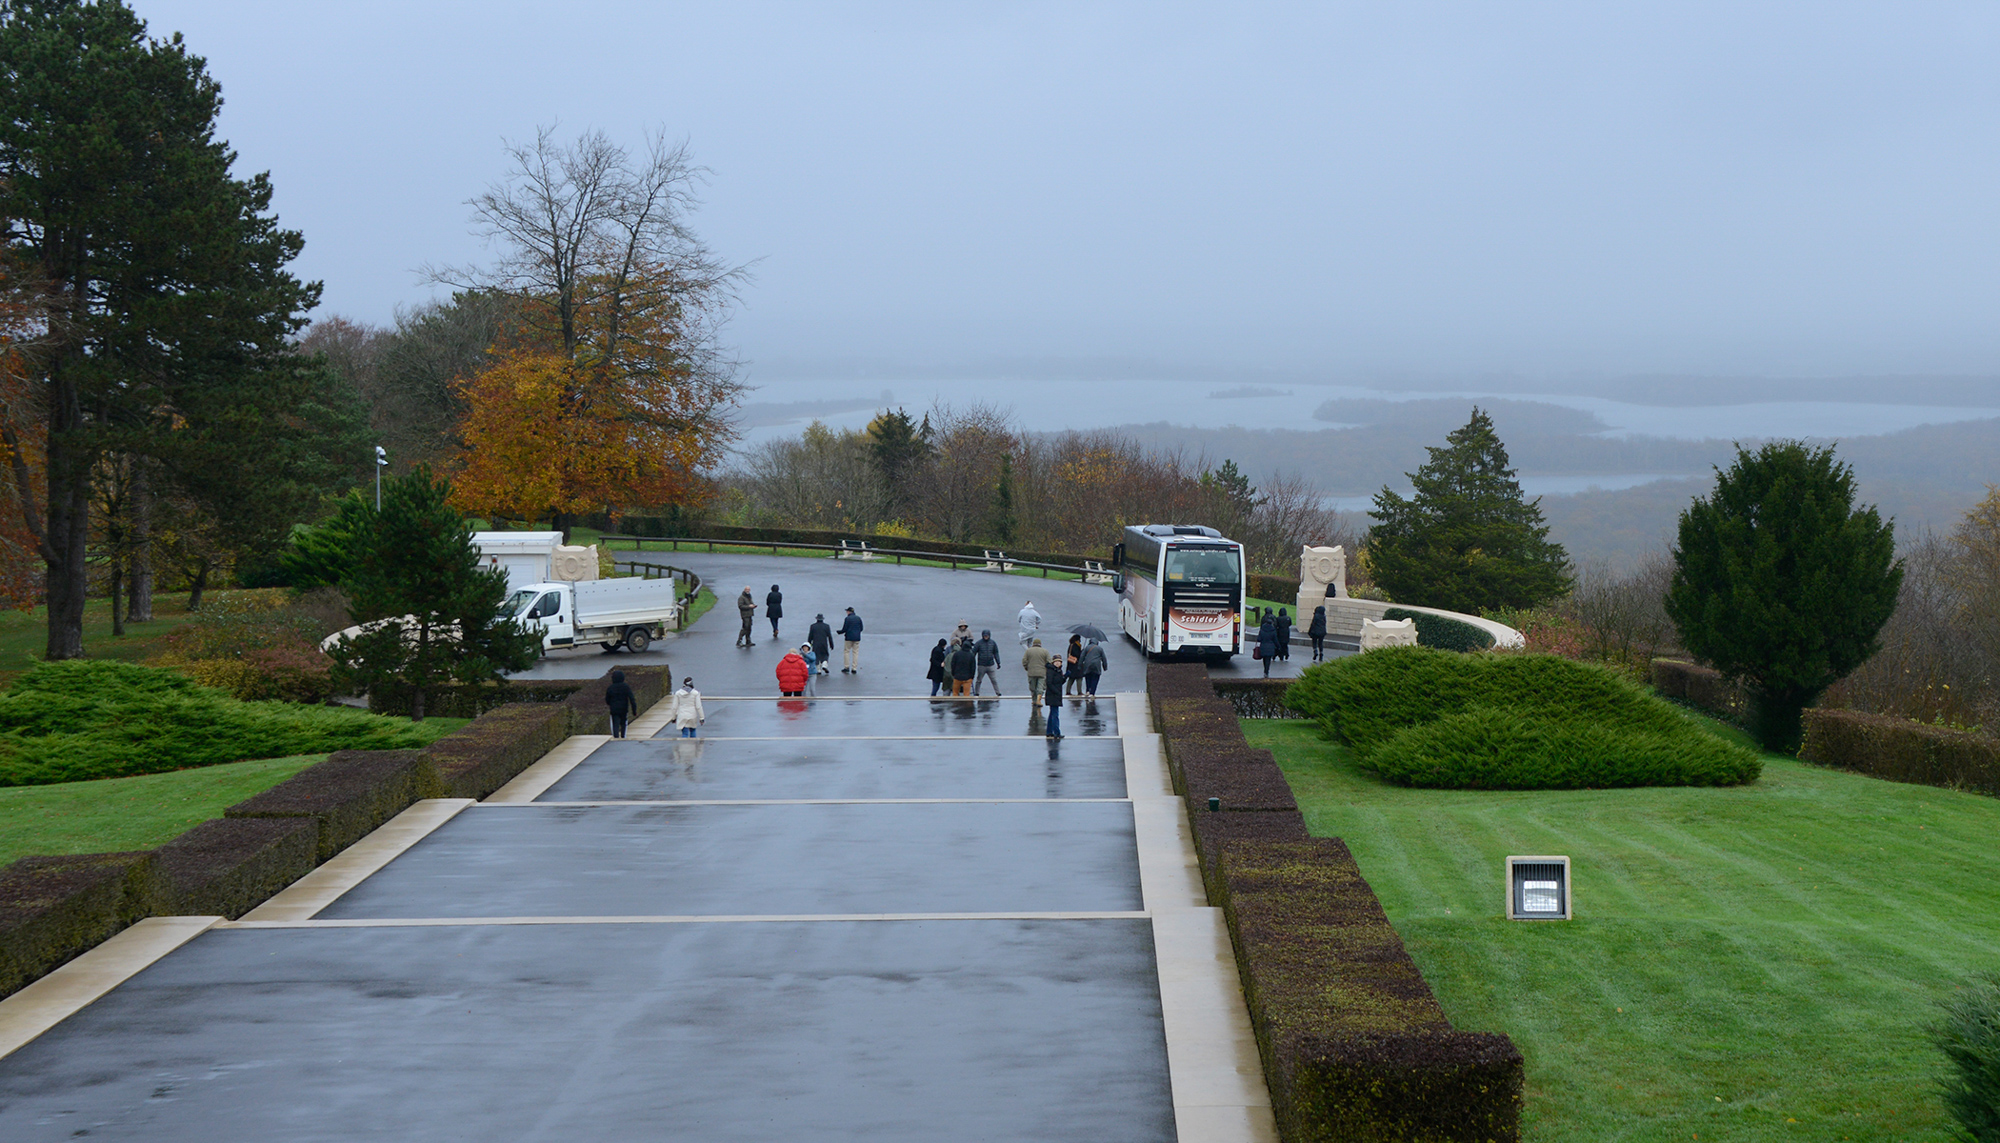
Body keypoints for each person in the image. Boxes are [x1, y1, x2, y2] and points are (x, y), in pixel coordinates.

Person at [604, 668, 634, 739]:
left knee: (615, 724)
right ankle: (623, 736)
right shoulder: (625, 687)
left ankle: (616, 736)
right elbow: (631, 698)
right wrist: (634, 710)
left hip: (614, 709)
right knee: (623, 723)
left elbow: (607, 698)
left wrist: (610, 704)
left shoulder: (610, 688)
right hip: (623, 708)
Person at [972, 629, 1003, 696]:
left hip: (990, 665)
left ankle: (998, 692)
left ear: (989, 635)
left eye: (987, 635)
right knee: (979, 680)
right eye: (985, 635)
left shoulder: (993, 643)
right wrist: (971, 662)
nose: (986, 637)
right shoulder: (978, 643)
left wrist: (998, 662)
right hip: (981, 665)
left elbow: (996, 653)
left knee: (994, 680)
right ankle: (977, 692)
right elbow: (973, 653)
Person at [1022, 637, 1051, 707]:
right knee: (1040, 687)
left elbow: (1024, 660)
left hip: (1031, 672)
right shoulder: (1045, 651)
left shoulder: (1028, 651)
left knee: (1033, 687)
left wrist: (1027, 667)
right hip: (1042, 672)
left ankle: (1034, 700)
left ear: (1033, 644)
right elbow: (1049, 661)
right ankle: (1039, 700)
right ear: (1040, 644)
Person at [1043, 651, 1066, 738]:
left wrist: (1065, 677)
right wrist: (1056, 691)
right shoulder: (1051, 671)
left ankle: (1049, 732)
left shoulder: (1058, 671)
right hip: (1053, 695)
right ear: (1053, 662)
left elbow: (1059, 682)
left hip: (1056, 695)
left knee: (1052, 713)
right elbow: (1049, 683)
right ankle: (1057, 733)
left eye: (1059, 661)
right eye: (1056, 661)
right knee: (1055, 715)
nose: (1057, 663)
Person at [840, 607, 864, 672]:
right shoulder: (858, 618)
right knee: (855, 652)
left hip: (848, 638)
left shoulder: (847, 619)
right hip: (857, 638)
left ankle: (846, 667)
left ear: (848, 612)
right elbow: (861, 628)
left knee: (846, 651)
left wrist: (840, 632)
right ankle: (854, 668)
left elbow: (844, 629)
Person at [1257, 612, 1280, 678]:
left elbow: (1259, 639)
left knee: (1264, 659)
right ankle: (1266, 671)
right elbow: (1275, 640)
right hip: (1270, 647)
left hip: (1263, 646)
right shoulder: (1273, 631)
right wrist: (1278, 646)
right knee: (1268, 660)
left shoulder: (1262, 630)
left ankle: (1265, 671)